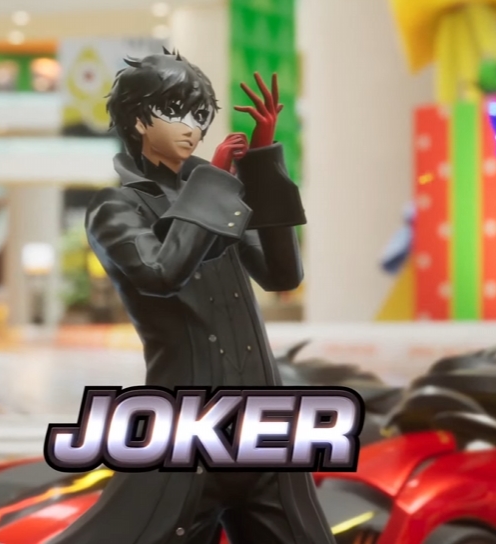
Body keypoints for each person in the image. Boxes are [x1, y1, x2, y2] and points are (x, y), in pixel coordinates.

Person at [44, 49, 336, 544]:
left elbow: (282, 273)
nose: (193, 128)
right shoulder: (116, 207)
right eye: (176, 111)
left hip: (262, 429)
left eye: (200, 115)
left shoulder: (215, 194)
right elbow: (162, 272)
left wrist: (263, 162)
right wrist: (213, 182)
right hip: (184, 433)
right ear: (139, 120)